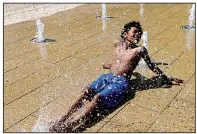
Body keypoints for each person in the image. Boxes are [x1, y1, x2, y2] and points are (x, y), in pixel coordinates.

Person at [49, 21, 183, 132]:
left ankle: (67, 128)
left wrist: (166, 78)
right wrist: (109, 65)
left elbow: (152, 66)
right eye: (134, 32)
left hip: (120, 82)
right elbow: (119, 60)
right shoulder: (117, 44)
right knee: (86, 93)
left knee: (97, 98)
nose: (138, 34)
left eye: (139, 33)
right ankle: (62, 119)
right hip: (106, 77)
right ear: (125, 34)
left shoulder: (140, 50)